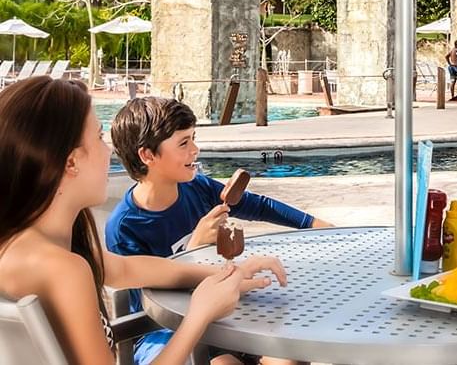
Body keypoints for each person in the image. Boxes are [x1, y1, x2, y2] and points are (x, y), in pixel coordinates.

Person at [0, 76, 287, 365]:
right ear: (71, 162)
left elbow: (125, 268)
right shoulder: (64, 270)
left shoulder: (32, 246)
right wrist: (200, 314)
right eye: (99, 137)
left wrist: (232, 273)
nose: (108, 150)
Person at [106, 97, 333, 365]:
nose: (195, 150)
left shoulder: (197, 188)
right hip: (163, 331)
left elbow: (259, 206)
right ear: (148, 155)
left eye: (194, 138)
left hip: (223, 315)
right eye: (183, 143)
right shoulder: (125, 227)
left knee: (289, 354)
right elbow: (155, 300)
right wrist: (194, 249)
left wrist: (315, 225)